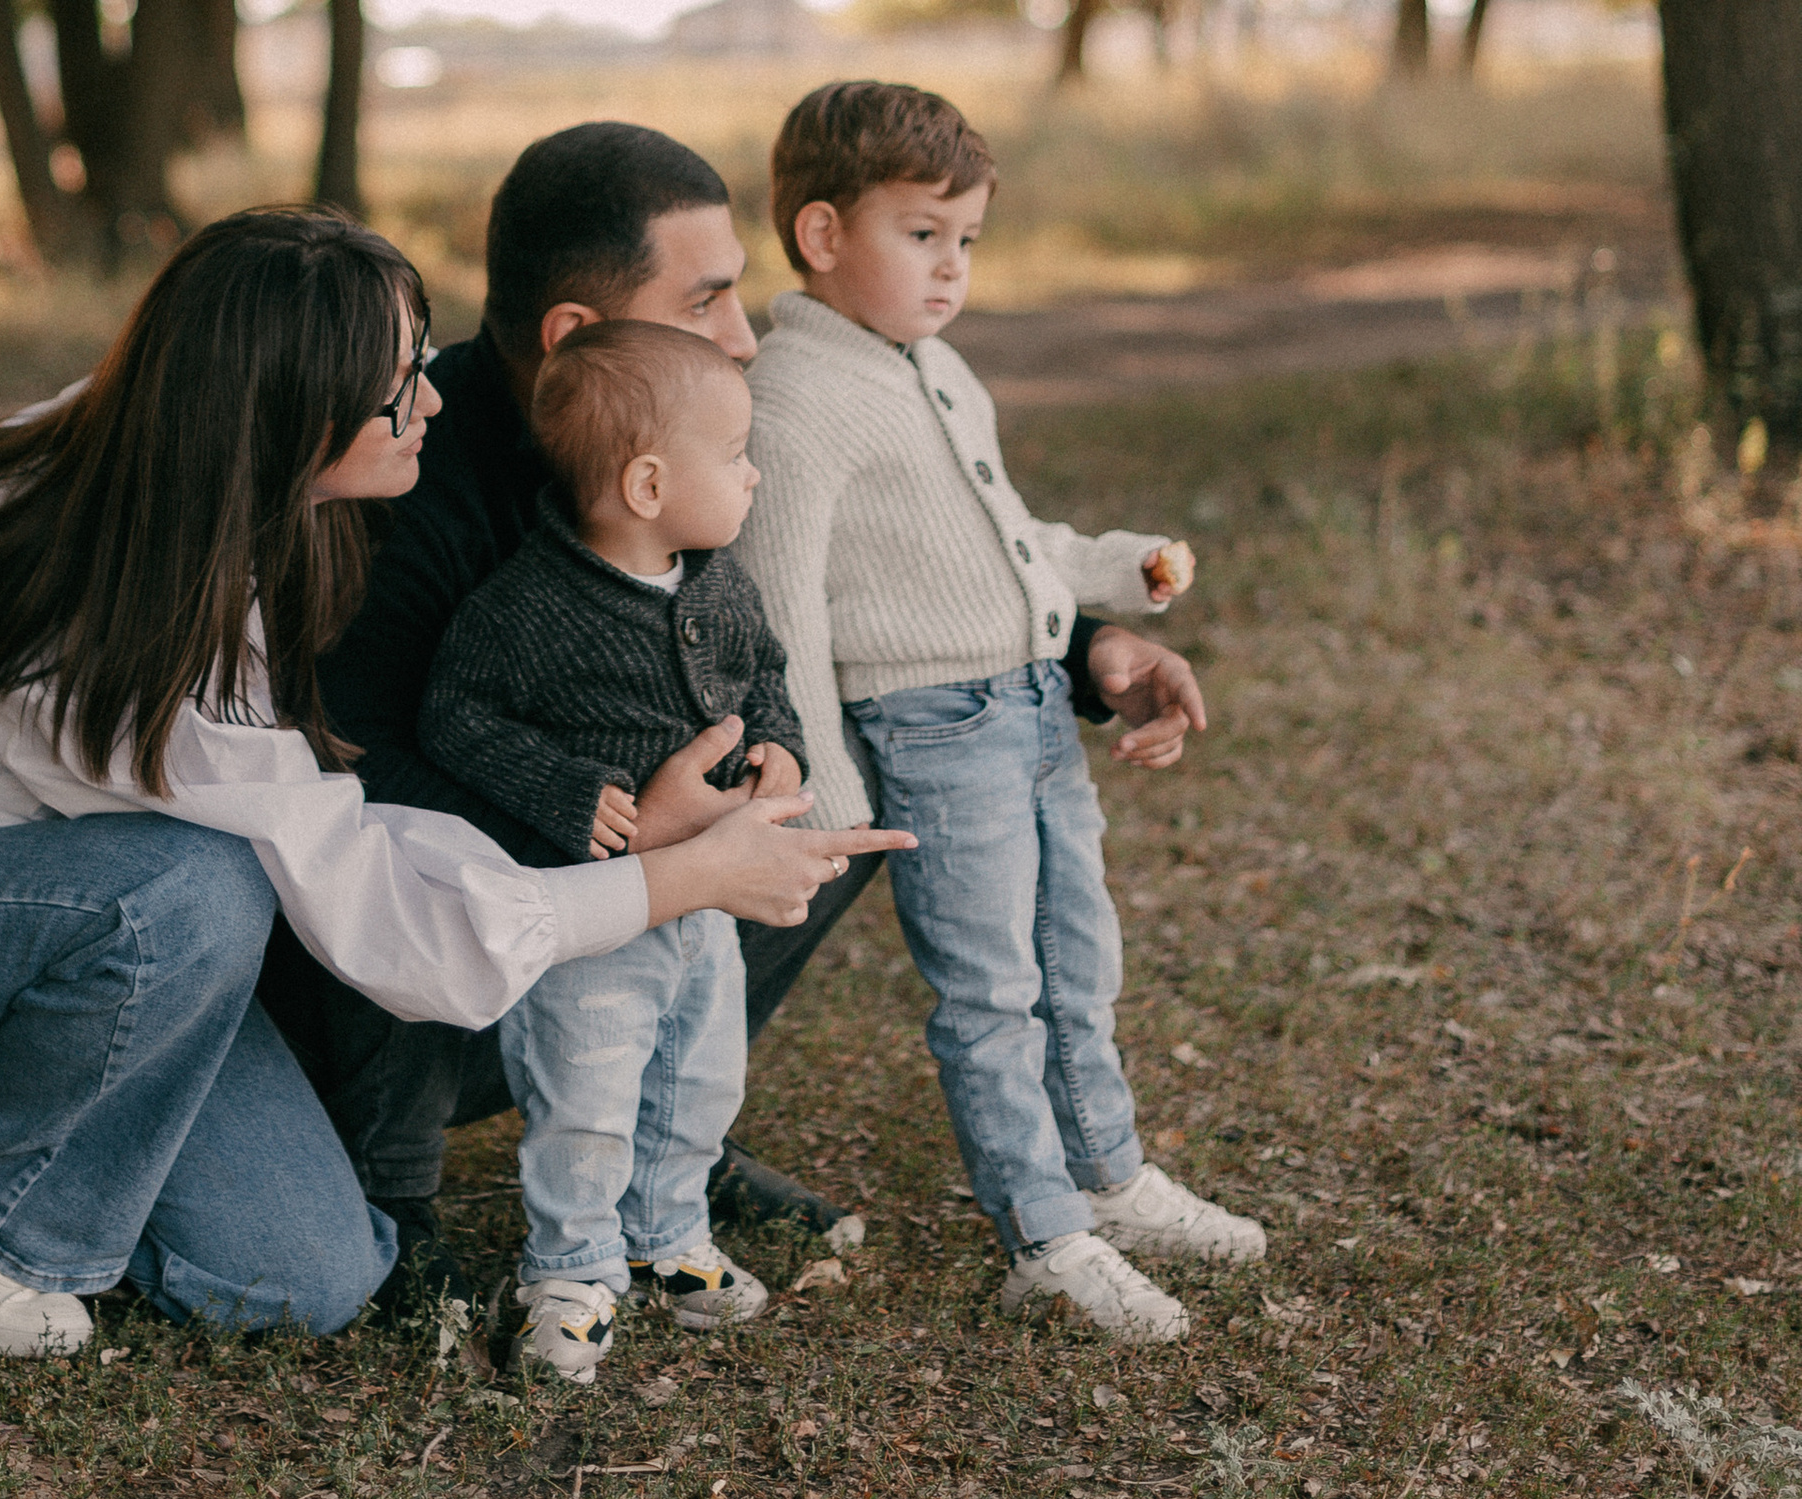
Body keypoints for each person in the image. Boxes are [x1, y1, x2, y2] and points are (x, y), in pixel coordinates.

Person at [0, 204, 900, 1360]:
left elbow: (338, 820)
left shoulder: (215, 489)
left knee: (308, 1276)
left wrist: (638, 846)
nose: (431, 401)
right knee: (197, 889)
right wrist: (667, 879)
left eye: (421, 361)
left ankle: (41, 1117)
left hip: (71, 919)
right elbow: (364, 902)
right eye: (397, 389)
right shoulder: (103, 585)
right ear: (287, 412)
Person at [274, 120, 1204, 1307]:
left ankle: (678, 1139)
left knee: (836, 776)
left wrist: (1088, 647)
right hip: (437, 927)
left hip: (642, 881)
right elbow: (358, 778)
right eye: (707, 299)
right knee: (406, 844)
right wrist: (619, 832)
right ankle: (391, 1194)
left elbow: (866, 595)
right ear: (577, 336)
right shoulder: (407, 483)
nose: (744, 336)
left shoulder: (696, 439)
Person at [737, 80, 1268, 1344]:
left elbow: (1000, 540)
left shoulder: (934, 368)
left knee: (1078, 960)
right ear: (822, 234)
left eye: (966, 240)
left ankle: (1110, 1173)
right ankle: (1044, 1233)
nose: (951, 268)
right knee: (991, 993)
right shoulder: (798, 392)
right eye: (921, 234)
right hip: (930, 730)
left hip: (1028, 708)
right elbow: (781, 604)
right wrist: (825, 785)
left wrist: (1112, 569)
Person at [420, 321, 810, 1381]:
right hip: (596, 914)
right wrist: (566, 789)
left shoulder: (717, 581)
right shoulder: (528, 608)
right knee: (586, 1096)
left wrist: (778, 748)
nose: (752, 473)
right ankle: (571, 1268)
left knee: (699, 1078)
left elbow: (764, 675)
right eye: (732, 456)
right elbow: (455, 715)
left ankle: (668, 1238)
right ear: (646, 484)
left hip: (705, 905)